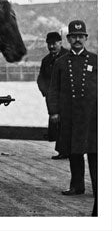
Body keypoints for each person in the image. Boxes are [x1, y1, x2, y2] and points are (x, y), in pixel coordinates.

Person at [47, 20, 97, 214]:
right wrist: (54, 112)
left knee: (95, 153)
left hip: (92, 115)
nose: (77, 39)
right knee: (74, 152)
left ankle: (99, 189)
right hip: (70, 115)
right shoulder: (60, 63)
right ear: (68, 39)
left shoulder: (95, 60)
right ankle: (77, 186)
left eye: (80, 36)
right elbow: (53, 90)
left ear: (85, 38)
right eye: (74, 36)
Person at [37, 31, 68, 159]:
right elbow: (41, 79)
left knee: (66, 124)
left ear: (60, 43)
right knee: (57, 124)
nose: (51, 46)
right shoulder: (46, 60)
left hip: (67, 97)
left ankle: (66, 151)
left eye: (54, 43)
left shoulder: (68, 56)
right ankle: (64, 151)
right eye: (49, 44)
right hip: (52, 98)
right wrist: (47, 92)